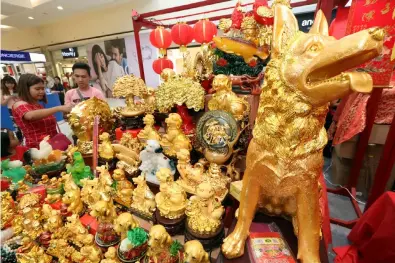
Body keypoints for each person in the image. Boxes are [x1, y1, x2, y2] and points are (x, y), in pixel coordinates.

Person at [12, 74, 72, 148]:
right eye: (37, 89)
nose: (41, 91)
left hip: (52, 145)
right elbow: (30, 116)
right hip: (38, 148)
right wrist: (58, 108)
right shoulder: (19, 104)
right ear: (26, 89)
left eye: (42, 88)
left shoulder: (37, 105)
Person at [1, 76, 23, 141]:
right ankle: (20, 140)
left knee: (23, 124)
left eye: (12, 83)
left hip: (20, 108)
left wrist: (18, 97)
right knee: (16, 126)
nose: (10, 85)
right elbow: (2, 103)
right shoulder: (2, 91)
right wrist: (10, 97)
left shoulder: (17, 89)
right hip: (11, 110)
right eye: (8, 83)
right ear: (4, 83)